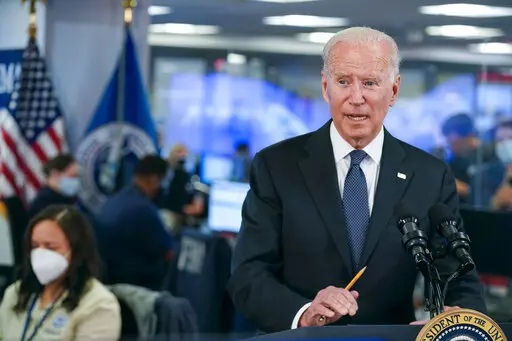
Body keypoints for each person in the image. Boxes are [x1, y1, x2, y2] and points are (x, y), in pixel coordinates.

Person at [227, 27, 486, 333]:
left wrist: (460, 322)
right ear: (326, 87)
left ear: (393, 91)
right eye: (343, 82)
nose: (356, 98)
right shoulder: (276, 166)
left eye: (370, 83)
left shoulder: (430, 175)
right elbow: (248, 274)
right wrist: (304, 314)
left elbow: (459, 275)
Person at [0, 205, 121, 341]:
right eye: (35, 246)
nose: (41, 254)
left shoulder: (98, 304)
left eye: (51, 248)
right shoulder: (16, 293)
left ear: (77, 253)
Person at [97, 154, 173, 290]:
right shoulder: (143, 209)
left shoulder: (114, 200)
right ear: (154, 179)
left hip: (112, 280)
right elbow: (169, 254)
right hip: (138, 285)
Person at [28, 154, 80, 219]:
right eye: (73, 176)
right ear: (55, 174)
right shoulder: (42, 205)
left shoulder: (70, 196)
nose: (77, 181)